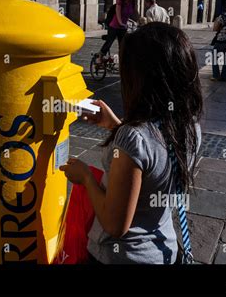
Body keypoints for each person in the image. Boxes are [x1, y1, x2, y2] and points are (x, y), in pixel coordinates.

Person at [60, 22, 203, 264]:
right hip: (164, 249)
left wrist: (85, 177)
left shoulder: (133, 137)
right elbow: (153, 154)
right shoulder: (190, 127)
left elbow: (115, 225)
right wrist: (115, 125)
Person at [96, 0, 137, 64]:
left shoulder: (132, 3)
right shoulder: (120, 1)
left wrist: (137, 21)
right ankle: (100, 56)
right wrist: (121, 23)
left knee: (123, 45)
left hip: (123, 27)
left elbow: (133, 14)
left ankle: (123, 61)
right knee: (109, 42)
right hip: (114, 26)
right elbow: (118, 13)